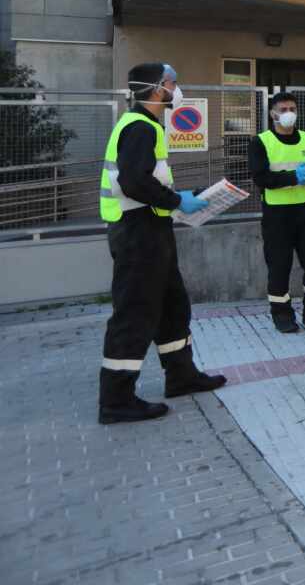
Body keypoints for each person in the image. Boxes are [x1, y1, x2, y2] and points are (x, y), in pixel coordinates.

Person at [98, 62, 227, 424]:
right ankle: (116, 400)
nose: (177, 88)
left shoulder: (147, 124)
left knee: (172, 305)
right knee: (135, 311)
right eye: (173, 82)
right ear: (158, 88)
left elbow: (144, 180)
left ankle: (181, 376)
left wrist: (175, 196)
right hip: (137, 232)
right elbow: (133, 182)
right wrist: (176, 201)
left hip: (151, 229)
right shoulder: (140, 126)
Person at [249, 92, 305, 333]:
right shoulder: (261, 141)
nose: (289, 114)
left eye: (292, 109)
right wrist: (294, 177)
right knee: (279, 266)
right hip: (277, 215)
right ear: (272, 113)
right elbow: (260, 177)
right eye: (283, 109)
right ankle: (282, 316)